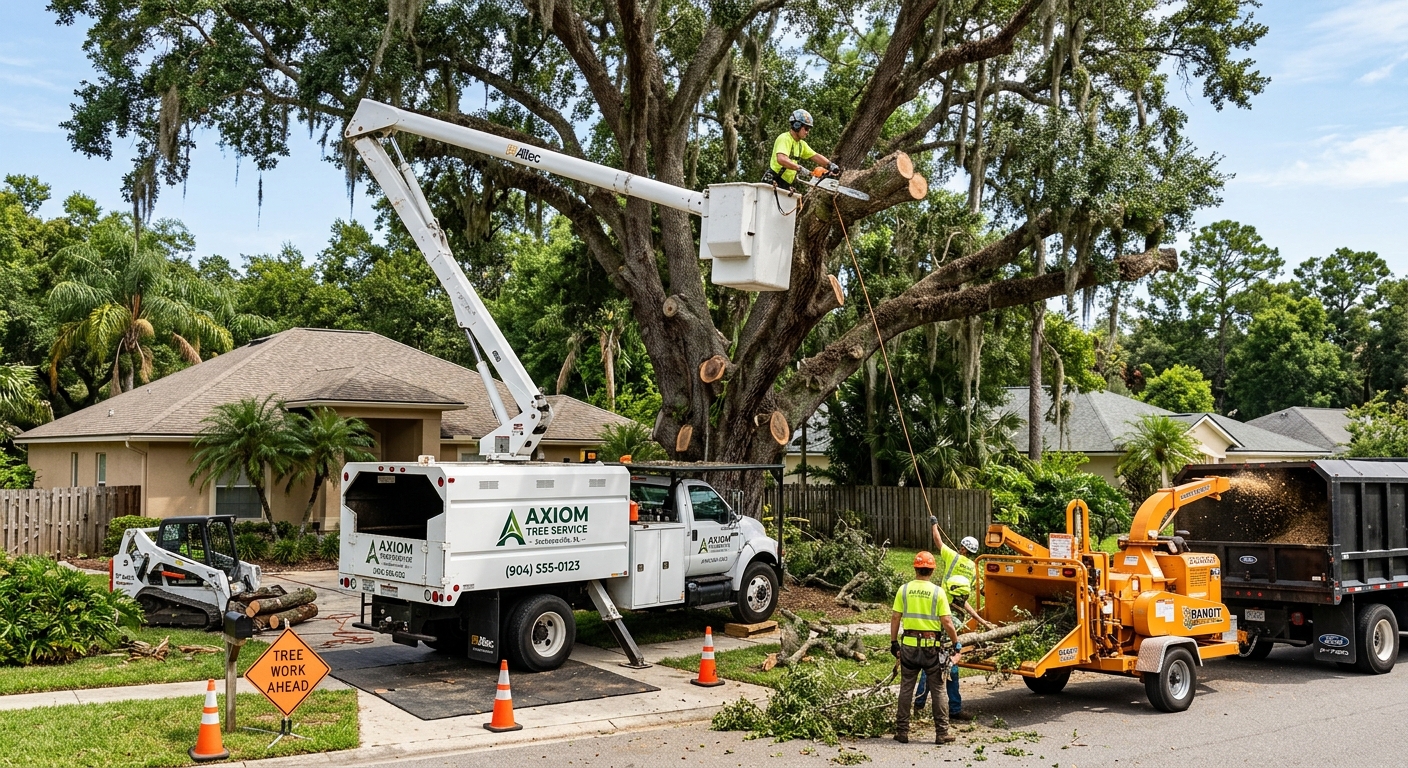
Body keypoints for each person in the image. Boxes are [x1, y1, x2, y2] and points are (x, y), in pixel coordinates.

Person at [890, 551, 963, 745]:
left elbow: (895, 617)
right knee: (938, 689)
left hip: (908, 647)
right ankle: (942, 733)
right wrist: (956, 643)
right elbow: (947, 621)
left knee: (906, 688)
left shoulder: (904, 590)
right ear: (932, 570)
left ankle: (902, 731)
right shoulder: (938, 592)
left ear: (915, 568)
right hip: (931, 649)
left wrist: (893, 642)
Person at [914, 574, 981, 720]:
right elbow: (949, 627)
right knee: (928, 676)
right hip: (936, 647)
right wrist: (957, 644)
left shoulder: (951, 604)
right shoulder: (950, 611)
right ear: (962, 595)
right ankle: (918, 706)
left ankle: (954, 709)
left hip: (945, 648)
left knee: (952, 676)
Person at [761, 109, 840, 192]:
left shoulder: (801, 145)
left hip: (785, 184)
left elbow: (815, 156)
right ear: (797, 125)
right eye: (806, 128)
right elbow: (781, 159)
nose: (807, 132)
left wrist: (830, 165)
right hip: (772, 180)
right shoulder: (784, 138)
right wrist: (799, 168)